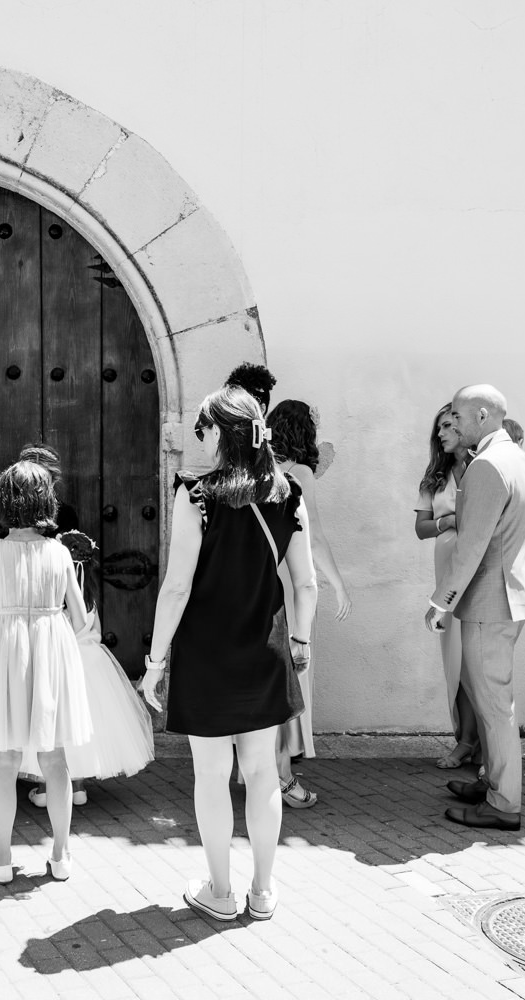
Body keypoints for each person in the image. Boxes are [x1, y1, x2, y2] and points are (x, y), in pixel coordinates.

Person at [140, 386, 319, 921]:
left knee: (212, 776)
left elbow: (176, 588)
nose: (202, 439)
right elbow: (305, 584)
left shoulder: (194, 493)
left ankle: (220, 892)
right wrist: (302, 640)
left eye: (204, 429)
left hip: (205, 654)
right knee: (263, 773)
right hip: (264, 650)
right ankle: (262, 892)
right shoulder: (287, 495)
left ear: (220, 432)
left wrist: (153, 663)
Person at [0, 461, 93, 883]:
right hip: (51, 656)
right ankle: (61, 854)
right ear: (45, 502)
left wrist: (5, 621)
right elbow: (83, 618)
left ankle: (0, 858)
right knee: (55, 760)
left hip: (7, 659)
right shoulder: (60, 553)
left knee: (6, 758)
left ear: (3, 503)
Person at [425, 384, 525, 831]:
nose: (451, 423)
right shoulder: (519, 460)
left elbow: (472, 546)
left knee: (494, 706)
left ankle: (503, 802)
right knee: (488, 697)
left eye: (458, 415)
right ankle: (492, 780)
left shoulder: (487, 466)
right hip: (510, 596)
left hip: (490, 601)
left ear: (484, 415)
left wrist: (441, 602)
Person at [22, 529, 154, 807]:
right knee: (83, 723)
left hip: (59, 660)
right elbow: (97, 631)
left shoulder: (53, 595)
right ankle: (78, 787)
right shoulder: (90, 597)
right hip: (92, 663)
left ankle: (47, 788)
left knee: (54, 724)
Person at [266, 399, 351, 808]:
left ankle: (263, 763)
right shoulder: (299, 473)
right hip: (294, 579)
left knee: (269, 671)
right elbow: (312, 539)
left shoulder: (262, 468)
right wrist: (338, 584)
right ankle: (282, 771)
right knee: (294, 670)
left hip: (265, 578)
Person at [414, 404, 476, 769]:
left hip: (475, 575)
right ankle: (466, 738)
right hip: (445, 578)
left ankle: (475, 740)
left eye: (449, 425)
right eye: (438, 427)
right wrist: (447, 521)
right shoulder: (435, 476)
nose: (441, 432)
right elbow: (420, 528)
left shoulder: (482, 468)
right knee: (456, 662)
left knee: (476, 661)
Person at [18, 443, 79, 535]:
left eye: (42, 478)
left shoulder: (66, 514)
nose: (36, 484)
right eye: (30, 477)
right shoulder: (7, 511)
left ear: (53, 479)